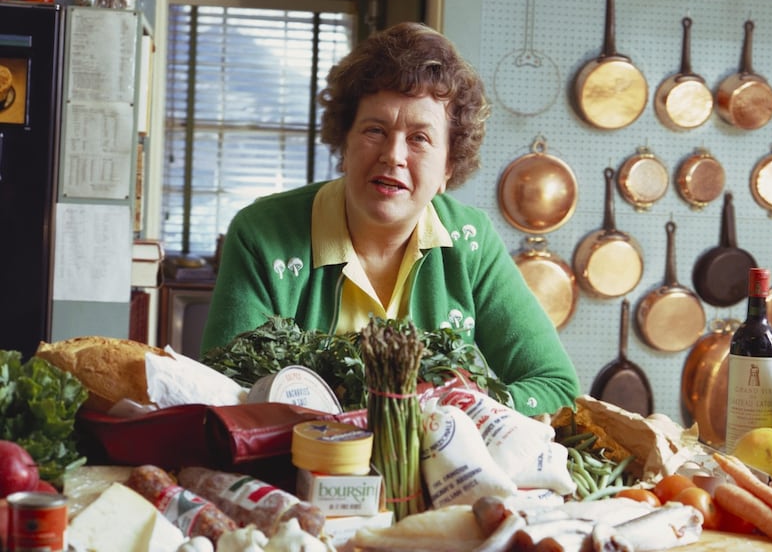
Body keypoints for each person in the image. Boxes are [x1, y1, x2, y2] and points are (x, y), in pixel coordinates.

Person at [201, 22, 580, 416]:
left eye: (419, 138)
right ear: (344, 145)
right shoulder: (262, 233)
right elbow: (224, 390)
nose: (393, 155)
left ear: (449, 165)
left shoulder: (471, 242)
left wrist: (468, 409)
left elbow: (557, 387)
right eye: (375, 130)